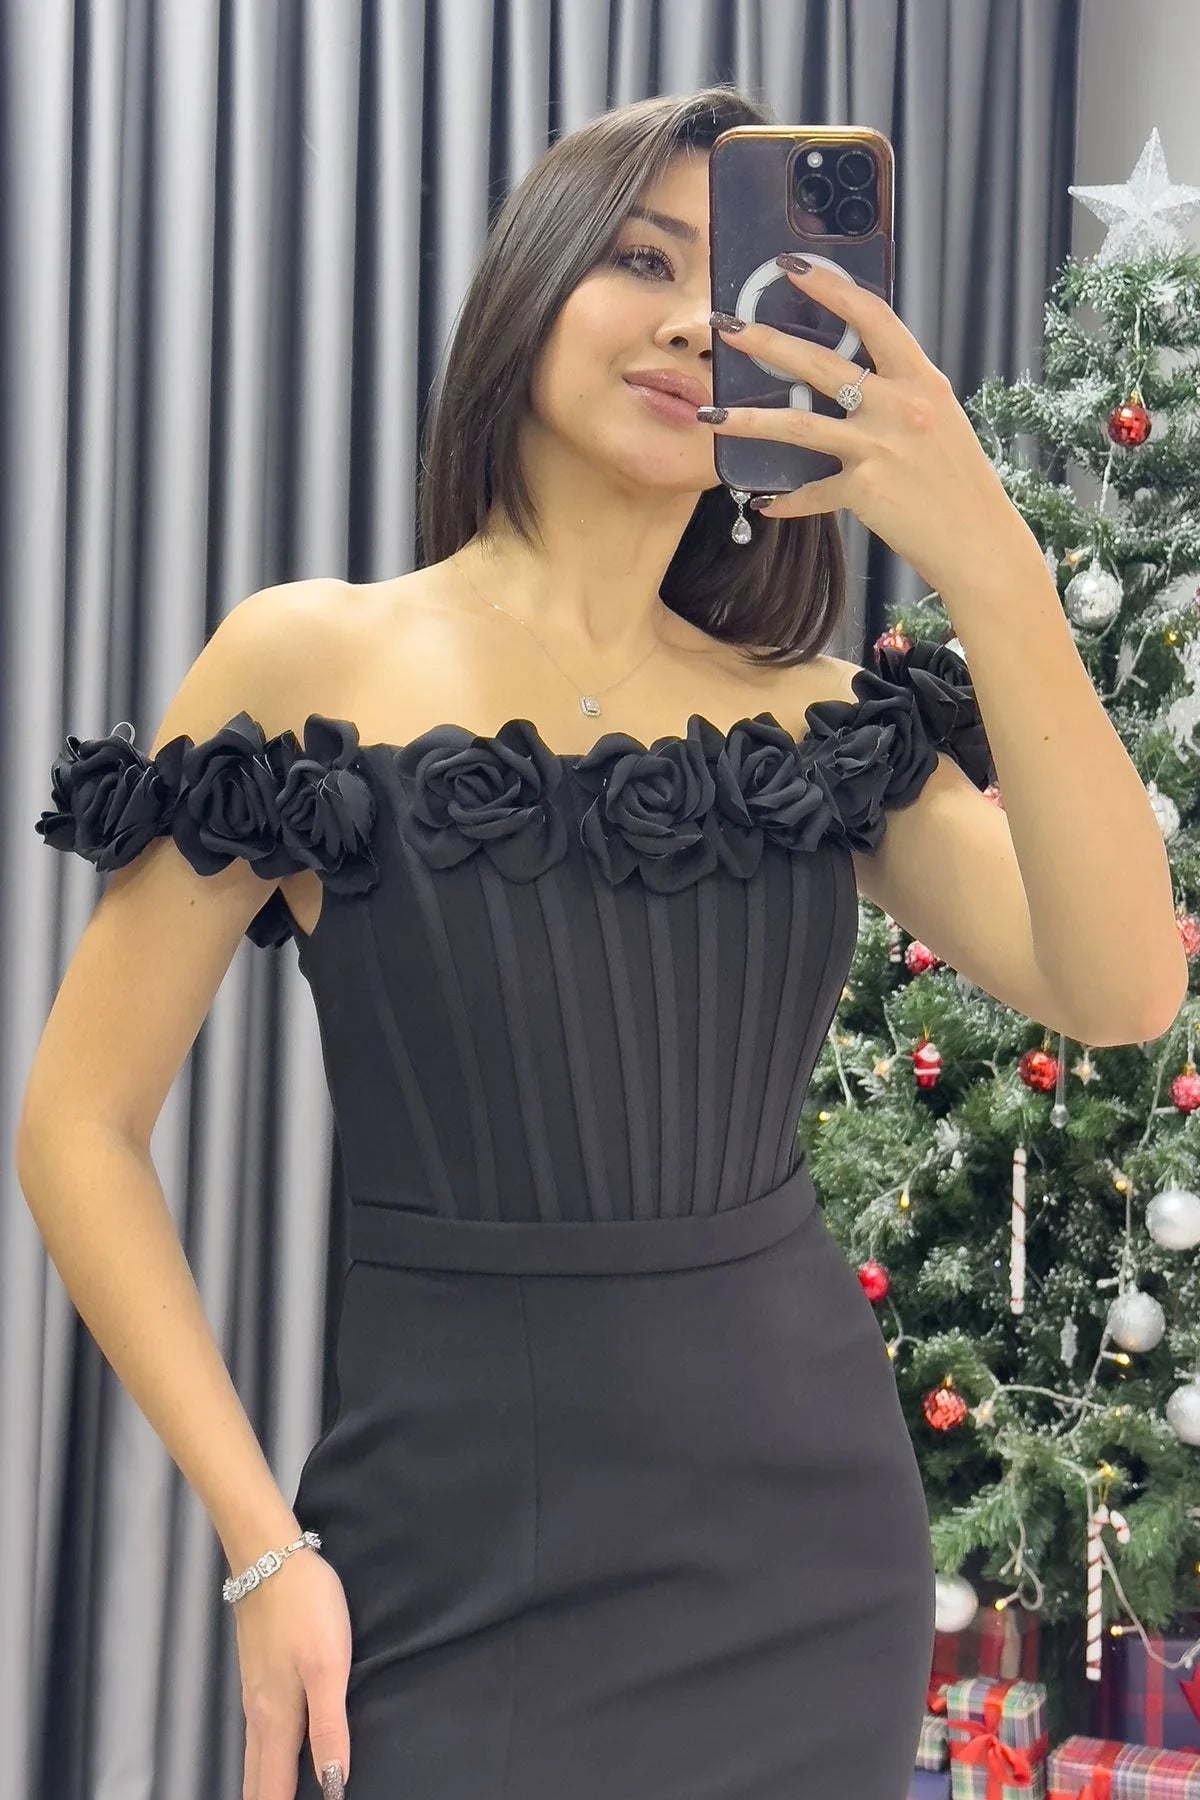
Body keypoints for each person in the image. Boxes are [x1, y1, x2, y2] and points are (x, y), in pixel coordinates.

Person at [22, 86, 1006, 1800]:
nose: (692, 322)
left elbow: (1125, 984)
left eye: (733, 285)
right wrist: (262, 1549)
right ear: (533, 285)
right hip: (448, 1558)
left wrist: (989, 555)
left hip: (805, 1561)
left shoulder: (822, 719)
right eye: (641, 258)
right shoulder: (309, 658)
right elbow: (74, 1126)